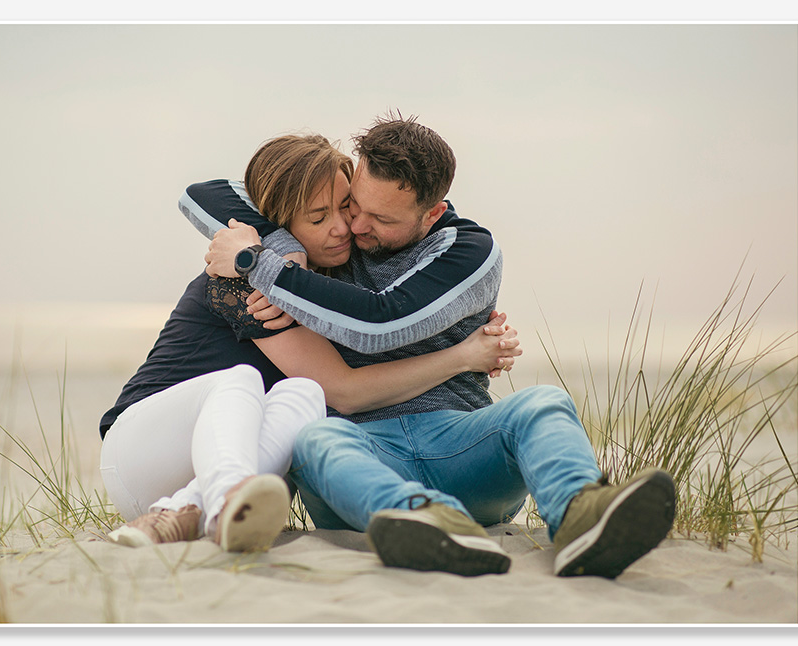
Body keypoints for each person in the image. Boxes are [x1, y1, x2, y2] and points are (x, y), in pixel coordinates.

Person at [193, 114, 676, 578]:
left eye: (380, 218)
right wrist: (276, 243)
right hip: (363, 455)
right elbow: (205, 194)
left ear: (433, 213)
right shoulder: (333, 239)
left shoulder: (468, 252)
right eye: (353, 204)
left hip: (460, 446)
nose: (354, 226)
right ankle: (426, 524)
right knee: (314, 438)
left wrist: (263, 268)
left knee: (544, 402)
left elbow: (380, 322)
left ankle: (582, 518)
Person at [99, 133, 519, 554]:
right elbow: (348, 391)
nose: (346, 227)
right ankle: (218, 500)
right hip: (140, 453)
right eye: (318, 219)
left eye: (346, 206)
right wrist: (463, 357)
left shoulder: (324, 288)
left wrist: (471, 342)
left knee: (304, 398)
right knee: (241, 381)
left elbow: (376, 333)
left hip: (218, 470)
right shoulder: (246, 281)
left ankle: (191, 510)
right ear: (282, 224)